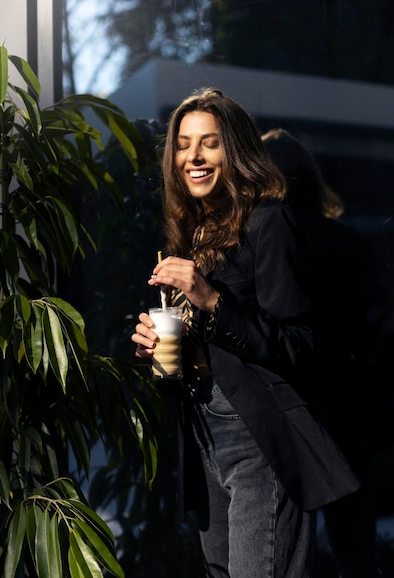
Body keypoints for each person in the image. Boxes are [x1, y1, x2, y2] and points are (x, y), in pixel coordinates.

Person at [132, 88, 359, 578]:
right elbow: (205, 345)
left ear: (233, 151)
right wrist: (160, 343)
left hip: (258, 435)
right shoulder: (195, 231)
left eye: (209, 143)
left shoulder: (269, 221)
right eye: (183, 143)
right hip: (202, 431)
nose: (193, 156)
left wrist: (212, 300)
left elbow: (296, 344)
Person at [262, 127, 393, 578]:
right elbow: (381, 322)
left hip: (285, 410)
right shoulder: (345, 243)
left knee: (283, 550)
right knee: (353, 549)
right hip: (346, 412)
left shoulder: (259, 246)